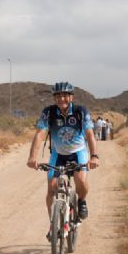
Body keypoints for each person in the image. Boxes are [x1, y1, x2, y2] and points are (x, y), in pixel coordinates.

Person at [27, 81, 99, 240]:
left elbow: (89, 135)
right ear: (54, 98)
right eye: (58, 96)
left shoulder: (81, 112)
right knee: (51, 187)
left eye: (65, 95)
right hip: (58, 154)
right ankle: (53, 224)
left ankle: (81, 201)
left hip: (78, 153)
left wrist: (94, 156)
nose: (62, 99)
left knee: (80, 179)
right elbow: (40, 134)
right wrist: (33, 157)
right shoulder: (49, 112)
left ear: (71, 97)